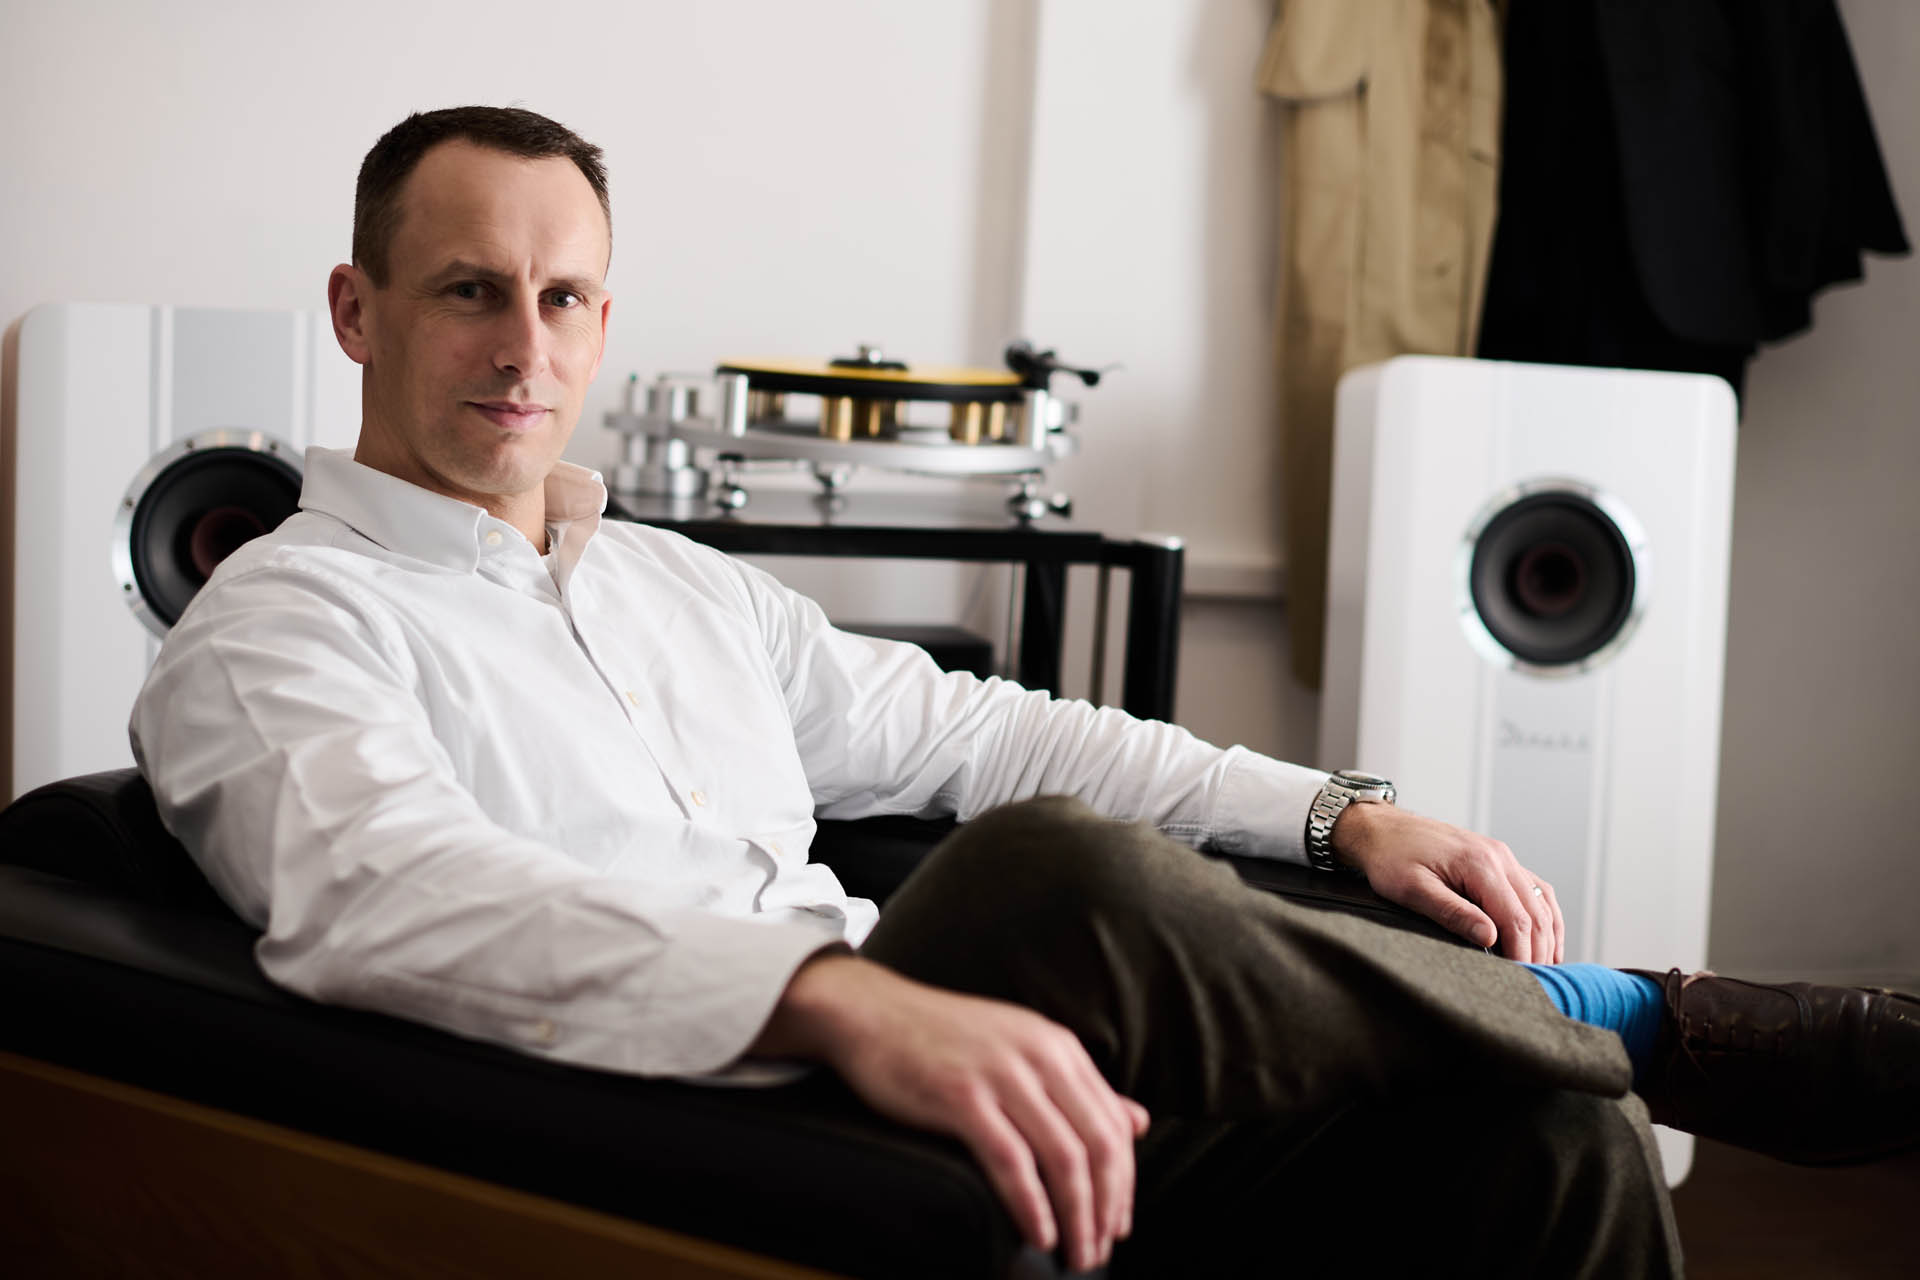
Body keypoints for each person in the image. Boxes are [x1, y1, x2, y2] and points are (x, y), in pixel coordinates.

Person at [131, 106, 1917, 1277]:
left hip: (969, 1099)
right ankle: (1651, 1022)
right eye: (471, 292)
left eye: (567, 296)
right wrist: (832, 995)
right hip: (692, 1113)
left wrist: (1333, 814)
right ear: (358, 311)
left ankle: (1593, 1057)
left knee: (1552, 1144)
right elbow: (389, 889)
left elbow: (986, 728)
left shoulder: (674, 585)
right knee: (1051, 876)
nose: (527, 347)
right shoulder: (280, 623)